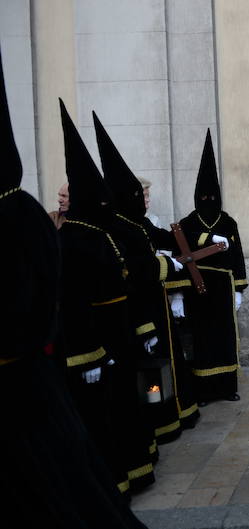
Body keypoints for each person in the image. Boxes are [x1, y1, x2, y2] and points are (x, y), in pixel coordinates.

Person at [0, 47, 148, 529]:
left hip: (89, 346)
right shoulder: (52, 225)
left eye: (68, 194)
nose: (62, 200)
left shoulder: (85, 235)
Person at [58, 99, 157, 495]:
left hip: (118, 336)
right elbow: (74, 300)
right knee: (103, 417)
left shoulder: (97, 233)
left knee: (124, 407)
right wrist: (89, 353)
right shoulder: (71, 239)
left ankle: (135, 469)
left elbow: (127, 283)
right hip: (97, 342)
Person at [94, 112, 199, 441]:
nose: (145, 199)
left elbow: (169, 240)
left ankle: (180, 410)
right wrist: (171, 266)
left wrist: (200, 239)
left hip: (157, 303)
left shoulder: (139, 224)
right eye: (141, 195)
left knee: (171, 360)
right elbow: (140, 270)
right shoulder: (123, 229)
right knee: (152, 367)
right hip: (143, 308)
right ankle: (164, 421)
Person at [167, 129, 247, 404]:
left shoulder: (228, 222)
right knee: (202, 338)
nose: (208, 201)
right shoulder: (187, 223)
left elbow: (238, 255)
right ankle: (204, 391)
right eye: (203, 196)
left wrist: (239, 289)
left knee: (224, 337)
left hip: (223, 287)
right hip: (197, 286)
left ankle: (227, 387)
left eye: (212, 196)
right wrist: (177, 294)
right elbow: (180, 252)